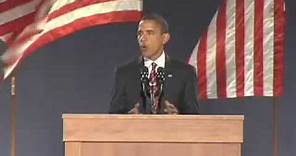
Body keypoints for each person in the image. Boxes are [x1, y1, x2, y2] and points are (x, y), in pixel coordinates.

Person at [109, 13, 199, 114]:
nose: (143, 38)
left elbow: (194, 116)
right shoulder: (124, 73)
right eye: (140, 33)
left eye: (150, 33)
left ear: (164, 38)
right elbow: (113, 116)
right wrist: (128, 118)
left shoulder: (185, 73)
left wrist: (178, 117)